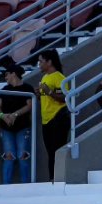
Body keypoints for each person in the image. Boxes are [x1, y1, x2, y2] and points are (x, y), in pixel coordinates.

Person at [36, 49, 69, 182]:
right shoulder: (44, 77)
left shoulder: (59, 78)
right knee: (50, 152)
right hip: (46, 119)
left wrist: (48, 92)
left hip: (58, 117)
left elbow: (64, 98)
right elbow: (47, 97)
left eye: (41, 61)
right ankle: (52, 179)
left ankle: (59, 179)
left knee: (57, 150)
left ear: (49, 62)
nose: (39, 64)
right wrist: (39, 94)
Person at [0, 64, 34, 184]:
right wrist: (3, 116)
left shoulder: (27, 88)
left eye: (6, 74)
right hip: (6, 128)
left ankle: (26, 186)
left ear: (13, 73)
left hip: (22, 126)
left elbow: (30, 105)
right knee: (9, 156)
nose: (5, 77)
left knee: (22, 156)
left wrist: (15, 114)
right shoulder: (4, 90)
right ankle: (6, 186)